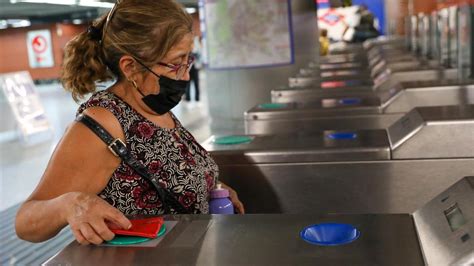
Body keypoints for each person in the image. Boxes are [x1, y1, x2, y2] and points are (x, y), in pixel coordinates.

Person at [15, 0, 244, 245]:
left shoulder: (153, 106)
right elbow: (25, 222)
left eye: (188, 60)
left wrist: (209, 187)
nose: (186, 75)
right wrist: (70, 204)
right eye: (175, 64)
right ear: (131, 67)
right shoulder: (103, 123)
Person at [184, 36, 202, 102]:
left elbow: (199, 56)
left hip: (195, 68)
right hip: (189, 69)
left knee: (196, 84)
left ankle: (197, 99)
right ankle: (188, 99)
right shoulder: (187, 50)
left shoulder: (197, 49)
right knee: (187, 84)